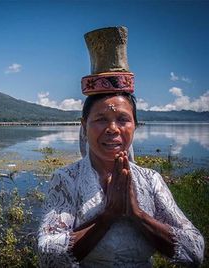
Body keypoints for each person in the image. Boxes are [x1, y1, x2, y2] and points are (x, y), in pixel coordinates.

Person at [37, 27, 204, 267]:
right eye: (101, 119)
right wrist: (108, 216)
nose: (113, 129)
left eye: (123, 120)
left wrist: (138, 214)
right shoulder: (66, 179)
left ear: (135, 125)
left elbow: (195, 251)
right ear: (84, 125)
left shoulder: (150, 180)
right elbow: (48, 255)